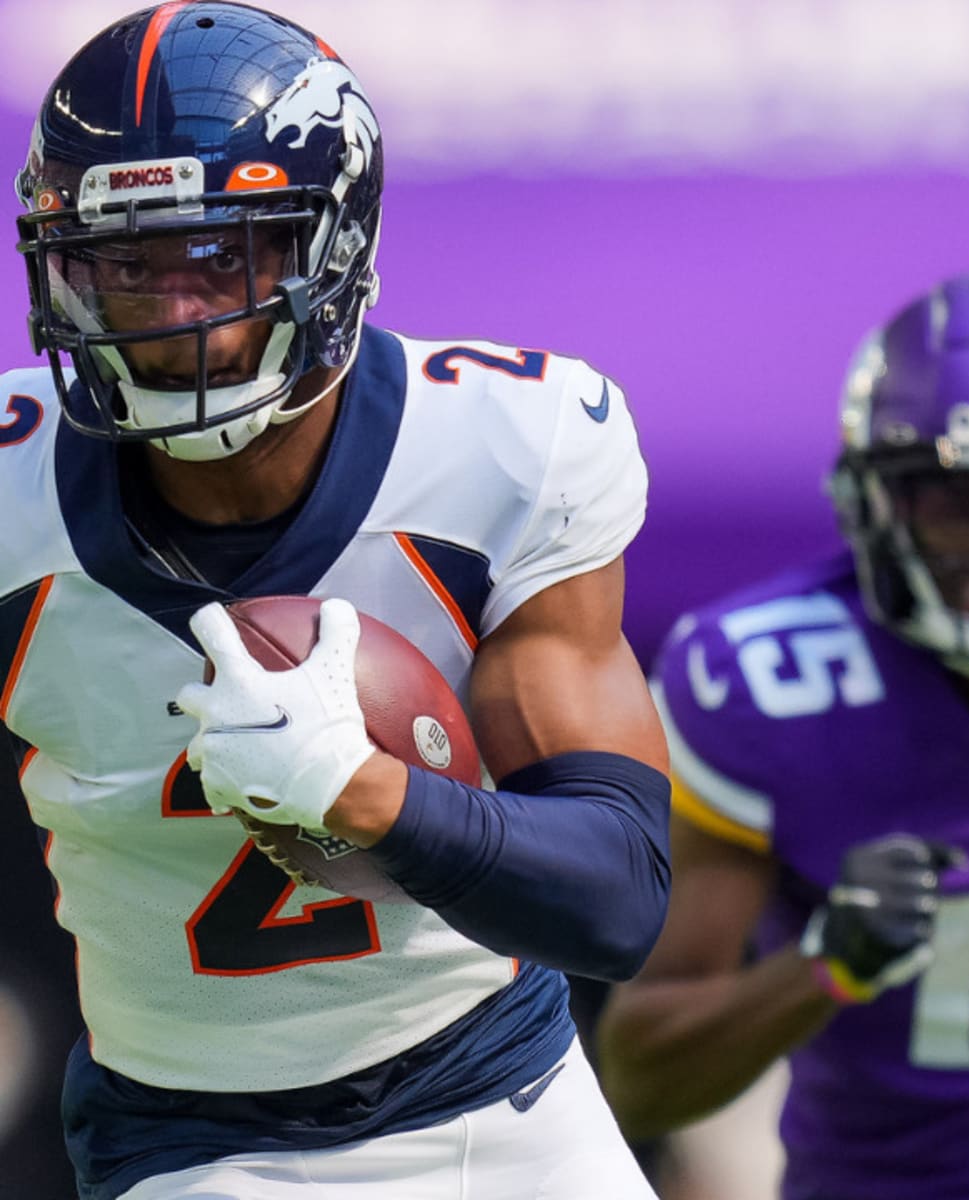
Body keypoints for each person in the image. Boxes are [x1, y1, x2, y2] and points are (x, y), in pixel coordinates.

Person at [2, 4, 670, 1198]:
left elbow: (618, 898)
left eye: (222, 255)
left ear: (333, 242)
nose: (170, 313)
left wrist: (369, 796)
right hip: (189, 1141)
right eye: (122, 263)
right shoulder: (13, 494)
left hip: (498, 1102)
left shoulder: (503, 452)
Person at [596, 268, 969, 1200]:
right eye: (956, 499)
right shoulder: (768, 690)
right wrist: (826, 966)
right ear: (873, 500)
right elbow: (639, 1081)